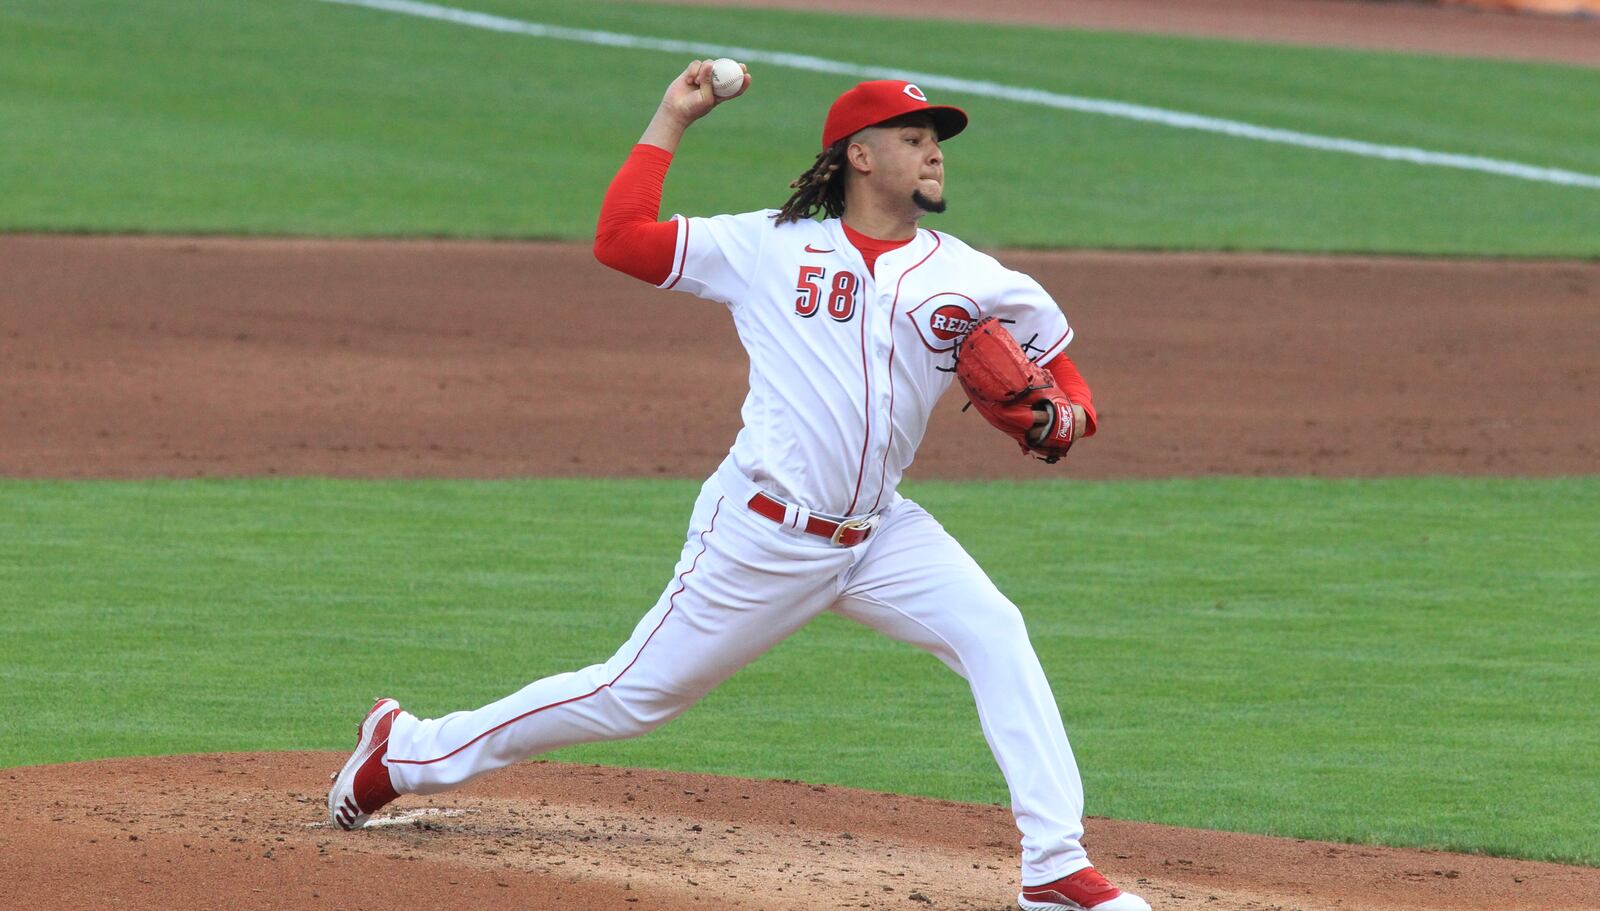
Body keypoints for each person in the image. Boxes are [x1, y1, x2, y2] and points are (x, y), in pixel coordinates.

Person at [329, 61, 1149, 911]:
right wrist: (670, 119)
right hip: (762, 533)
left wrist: (1068, 418)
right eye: (913, 139)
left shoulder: (974, 278)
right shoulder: (767, 246)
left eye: (936, 141)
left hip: (880, 535)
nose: (933, 154)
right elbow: (620, 241)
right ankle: (407, 750)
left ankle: (1054, 865)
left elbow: (1066, 381)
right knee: (629, 696)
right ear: (859, 156)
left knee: (996, 632)